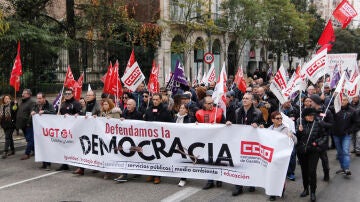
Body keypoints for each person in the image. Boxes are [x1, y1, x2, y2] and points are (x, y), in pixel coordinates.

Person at [231, 93, 264, 196]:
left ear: (252, 101)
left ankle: (251, 183)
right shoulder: (237, 111)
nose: (244, 100)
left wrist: (258, 125)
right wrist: (229, 124)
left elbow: (263, 125)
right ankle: (238, 187)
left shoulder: (258, 112)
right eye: (243, 98)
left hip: (251, 143)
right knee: (239, 164)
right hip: (239, 141)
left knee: (250, 164)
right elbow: (233, 123)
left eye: (247, 98)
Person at [295, 108, 327, 202]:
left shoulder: (319, 123)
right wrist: (299, 131)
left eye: (312, 115)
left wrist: (317, 143)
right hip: (302, 152)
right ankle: (306, 189)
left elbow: (324, 136)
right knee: (304, 171)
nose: (311, 117)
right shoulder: (300, 123)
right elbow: (297, 138)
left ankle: (313, 192)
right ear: (304, 116)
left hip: (313, 151)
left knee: (312, 172)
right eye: (309, 115)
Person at [267, 111, 297, 201]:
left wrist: (291, 137)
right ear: (272, 120)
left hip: (282, 157)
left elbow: (295, 141)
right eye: (277, 118)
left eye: (281, 118)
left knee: (280, 175)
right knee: (271, 175)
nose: (280, 120)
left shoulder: (286, 129)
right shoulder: (269, 129)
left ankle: (280, 189)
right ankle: (272, 193)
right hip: (272, 156)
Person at [196, 96, 225, 190]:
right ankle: (210, 181)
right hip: (205, 140)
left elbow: (224, 124)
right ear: (204, 104)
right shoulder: (198, 113)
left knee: (218, 160)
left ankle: (219, 179)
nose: (211, 105)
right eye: (209, 103)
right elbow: (193, 125)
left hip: (218, 139)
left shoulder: (219, 111)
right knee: (208, 160)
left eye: (212, 103)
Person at [144, 93, 173, 184]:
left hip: (161, 137)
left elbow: (171, 123)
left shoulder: (166, 110)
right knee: (151, 155)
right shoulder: (148, 110)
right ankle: (152, 173)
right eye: (154, 99)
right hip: (151, 136)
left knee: (159, 156)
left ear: (160, 100)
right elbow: (145, 123)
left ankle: (158, 175)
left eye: (157, 99)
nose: (155, 101)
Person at [114, 98, 143, 183]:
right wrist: (121, 120)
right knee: (126, 154)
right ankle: (124, 174)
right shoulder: (124, 113)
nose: (128, 106)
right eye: (127, 104)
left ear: (134, 105)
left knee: (135, 155)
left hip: (136, 138)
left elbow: (140, 125)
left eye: (130, 104)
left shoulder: (138, 114)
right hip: (126, 139)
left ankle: (137, 172)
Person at [73, 90, 101, 175]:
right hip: (86, 130)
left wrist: (97, 117)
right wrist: (78, 115)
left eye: (90, 95)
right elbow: (83, 114)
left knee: (95, 149)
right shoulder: (86, 105)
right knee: (84, 148)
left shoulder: (97, 105)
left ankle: (97, 165)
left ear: (94, 96)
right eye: (87, 95)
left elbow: (101, 116)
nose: (87, 97)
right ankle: (81, 168)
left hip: (95, 131)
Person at [56, 88, 81, 171]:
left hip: (74, 129)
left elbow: (80, 114)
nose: (67, 95)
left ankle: (78, 164)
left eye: (69, 93)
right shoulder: (62, 104)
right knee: (64, 146)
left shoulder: (76, 103)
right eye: (65, 94)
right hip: (64, 129)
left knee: (75, 146)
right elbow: (58, 114)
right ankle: (65, 164)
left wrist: (70, 115)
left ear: (72, 94)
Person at [310, 94, 333, 181]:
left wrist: (324, 124)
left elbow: (332, 124)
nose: (310, 103)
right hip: (313, 138)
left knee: (323, 158)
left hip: (323, 138)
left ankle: (326, 173)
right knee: (312, 160)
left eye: (311, 101)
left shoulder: (327, 111)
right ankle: (311, 177)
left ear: (315, 102)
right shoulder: (310, 111)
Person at [30, 92, 56, 170]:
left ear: (44, 98)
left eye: (40, 98)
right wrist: (33, 112)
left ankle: (48, 164)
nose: (38, 100)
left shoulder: (49, 105)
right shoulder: (36, 105)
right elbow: (33, 112)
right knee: (41, 146)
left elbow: (54, 113)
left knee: (47, 147)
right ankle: (44, 163)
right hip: (39, 130)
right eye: (37, 98)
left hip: (47, 130)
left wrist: (45, 112)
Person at [332, 95, 355, 176]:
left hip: (346, 135)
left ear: (348, 101)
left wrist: (349, 131)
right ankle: (343, 168)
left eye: (345, 100)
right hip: (336, 134)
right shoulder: (335, 109)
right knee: (340, 152)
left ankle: (346, 168)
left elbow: (355, 123)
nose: (343, 101)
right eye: (342, 100)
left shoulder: (352, 111)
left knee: (345, 151)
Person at [99, 98, 121, 179]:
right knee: (106, 153)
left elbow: (118, 123)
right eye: (103, 104)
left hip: (113, 136)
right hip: (104, 136)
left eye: (106, 104)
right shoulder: (102, 113)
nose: (104, 106)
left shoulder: (115, 112)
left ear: (110, 105)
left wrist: (111, 120)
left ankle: (115, 170)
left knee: (113, 153)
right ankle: (107, 171)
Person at [175, 103, 195, 187]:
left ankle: (183, 178)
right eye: (180, 108)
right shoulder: (175, 117)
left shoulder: (190, 119)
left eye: (183, 108)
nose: (181, 109)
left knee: (184, 159)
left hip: (185, 142)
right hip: (175, 141)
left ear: (187, 110)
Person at [16, 89, 36, 160]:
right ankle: (35, 151)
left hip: (28, 124)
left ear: (29, 94)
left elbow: (32, 113)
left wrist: (28, 123)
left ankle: (27, 153)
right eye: (22, 93)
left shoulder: (32, 102)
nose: (22, 94)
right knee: (28, 139)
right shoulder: (22, 101)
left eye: (24, 93)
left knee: (30, 139)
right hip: (22, 124)